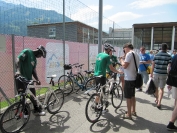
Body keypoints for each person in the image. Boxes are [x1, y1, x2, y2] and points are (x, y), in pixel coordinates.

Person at [16, 45, 47, 116]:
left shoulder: (35, 60)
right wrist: (18, 71)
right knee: (22, 96)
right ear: (39, 51)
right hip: (21, 79)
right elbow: (18, 59)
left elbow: (33, 70)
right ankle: (25, 112)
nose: (40, 57)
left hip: (29, 80)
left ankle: (37, 110)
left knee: (33, 95)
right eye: (41, 55)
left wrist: (37, 79)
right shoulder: (27, 51)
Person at [94, 43, 123, 111]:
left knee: (98, 91)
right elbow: (111, 68)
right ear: (109, 50)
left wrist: (108, 70)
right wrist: (118, 72)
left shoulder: (99, 54)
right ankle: (100, 107)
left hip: (96, 75)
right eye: (111, 50)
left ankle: (95, 104)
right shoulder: (107, 56)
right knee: (102, 92)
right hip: (102, 76)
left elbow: (102, 64)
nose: (111, 52)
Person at [119, 43, 139, 119]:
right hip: (134, 78)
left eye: (124, 49)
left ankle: (129, 114)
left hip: (129, 78)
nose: (124, 51)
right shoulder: (136, 54)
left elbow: (125, 66)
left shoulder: (129, 54)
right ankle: (133, 111)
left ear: (126, 47)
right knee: (133, 95)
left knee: (128, 97)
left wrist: (121, 60)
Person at [151, 43, 171, 109]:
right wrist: (168, 74)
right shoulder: (169, 56)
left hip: (156, 73)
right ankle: (159, 102)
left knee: (156, 87)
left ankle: (156, 99)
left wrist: (151, 74)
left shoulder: (156, 55)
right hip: (164, 74)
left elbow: (153, 65)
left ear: (161, 48)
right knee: (161, 88)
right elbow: (169, 67)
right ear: (166, 48)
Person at [167, 54, 177, 131]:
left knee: (176, 100)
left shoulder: (174, 56)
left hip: (174, 81)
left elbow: (170, 69)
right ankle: (171, 122)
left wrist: (170, 82)